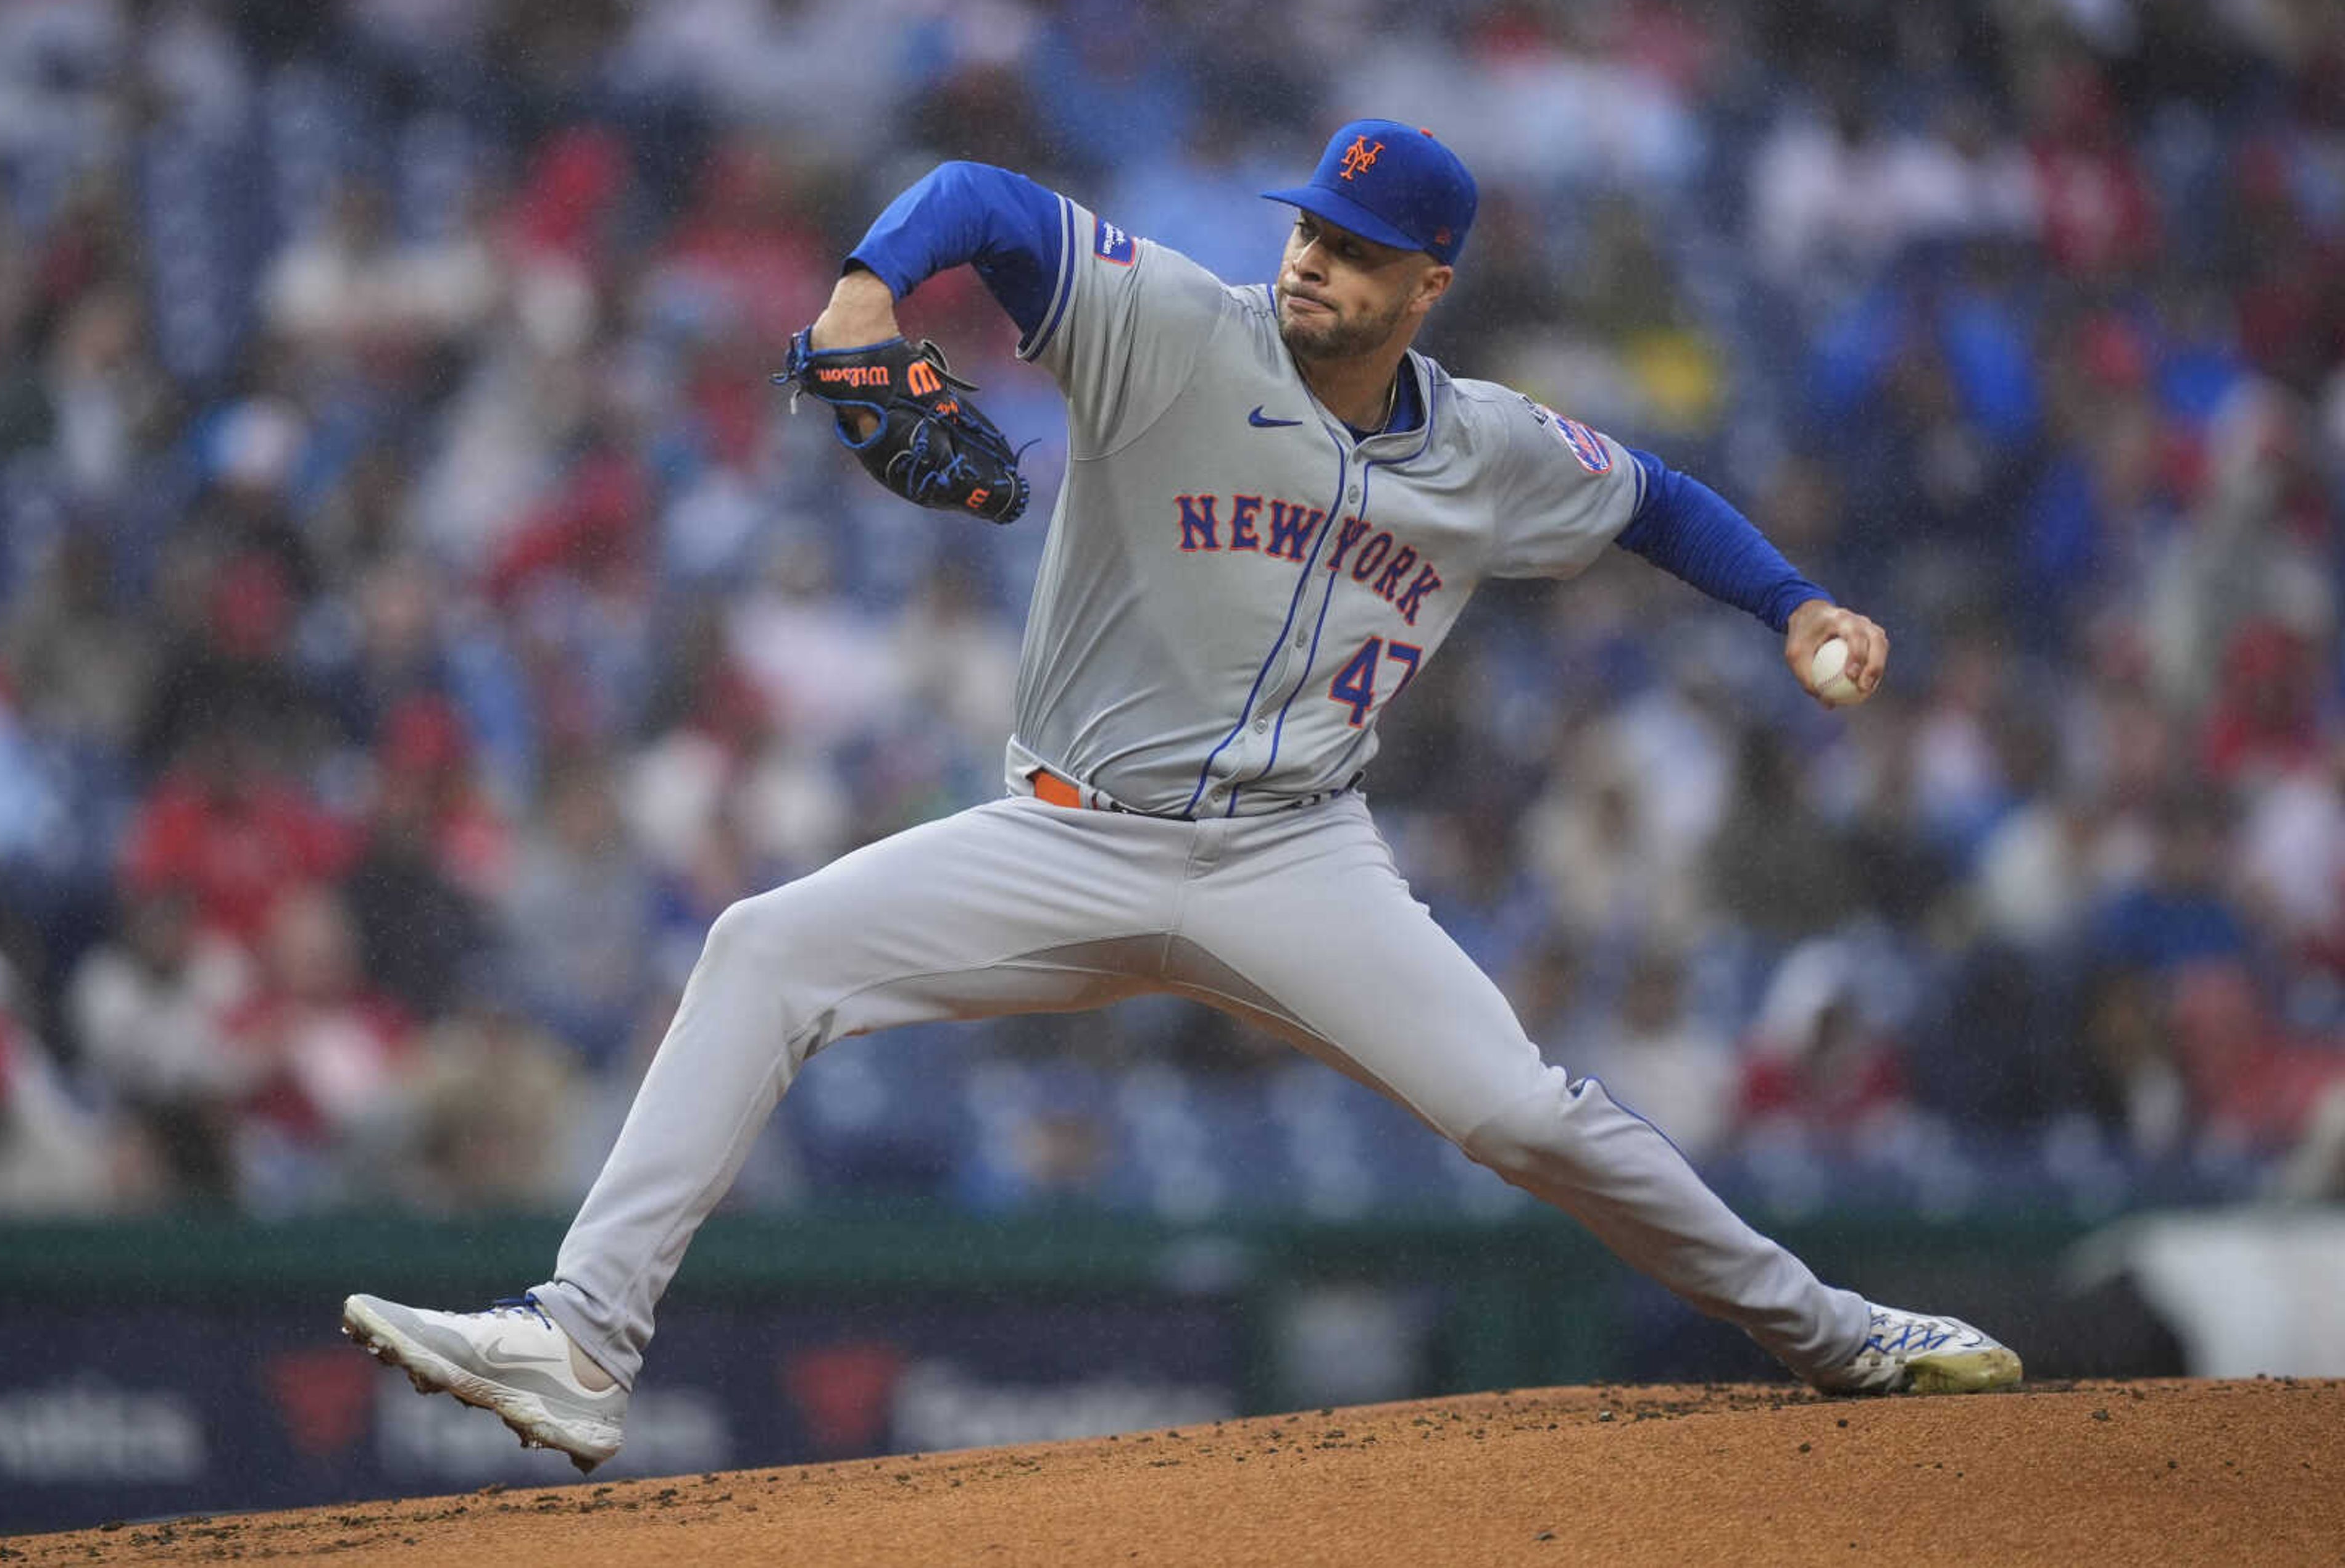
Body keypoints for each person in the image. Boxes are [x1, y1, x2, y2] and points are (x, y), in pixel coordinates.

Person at [343, 121, 2019, 1472]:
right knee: (764, 946)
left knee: (1522, 1115)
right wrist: (868, 299)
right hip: (1067, 832)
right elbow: (986, 199)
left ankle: (1836, 1332)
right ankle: (579, 1340)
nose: (1313, 258)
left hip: (1298, 856)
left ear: (1430, 282)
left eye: (1358, 250)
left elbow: (1655, 498)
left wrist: (1797, 605)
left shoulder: (1493, 448)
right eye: (1308, 227)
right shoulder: (1175, 325)